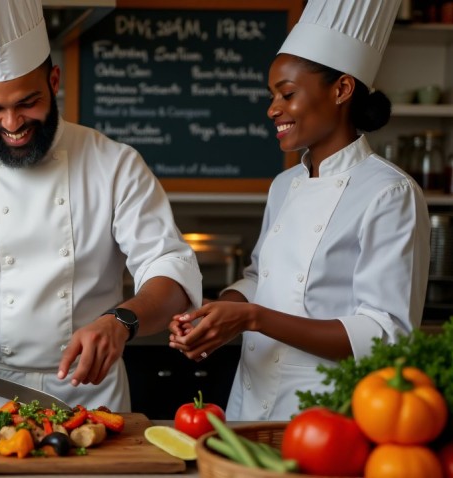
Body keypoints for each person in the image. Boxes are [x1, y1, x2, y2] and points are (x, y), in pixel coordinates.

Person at [0, 0, 202, 413]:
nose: (11, 124)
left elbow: (169, 269)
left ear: (54, 80)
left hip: (93, 392)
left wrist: (121, 322)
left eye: (26, 102)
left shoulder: (115, 165)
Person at [169, 0, 430, 421]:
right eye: (272, 95)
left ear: (342, 89)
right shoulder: (285, 185)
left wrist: (251, 318)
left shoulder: (390, 193)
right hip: (249, 402)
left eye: (287, 94)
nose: (272, 109)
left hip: (329, 411)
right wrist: (216, 314)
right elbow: (262, 278)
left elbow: (384, 335)